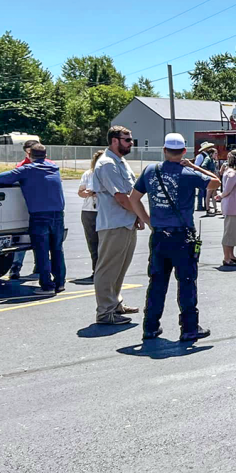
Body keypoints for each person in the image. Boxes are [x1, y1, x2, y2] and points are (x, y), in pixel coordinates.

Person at [129, 133, 220, 342]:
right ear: (184, 152)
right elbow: (215, 182)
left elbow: (134, 199)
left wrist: (149, 221)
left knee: (157, 282)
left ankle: (150, 326)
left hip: (160, 234)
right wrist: (194, 166)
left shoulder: (151, 170)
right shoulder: (188, 173)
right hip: (182, 235)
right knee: (187, 281)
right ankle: (189, 328)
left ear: (164, 150)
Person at [0, 143, 66, 294]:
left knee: (41, 250)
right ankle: (60, 282)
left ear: (29, 156)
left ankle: (46, 285)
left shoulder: (27, 169)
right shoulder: (54, 168)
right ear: (45, 155)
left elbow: (2, 178)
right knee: (57, 250)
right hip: (58, 214)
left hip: (39, 215)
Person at [93, 126, 144, 325]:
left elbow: (130, 195)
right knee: (107, 269)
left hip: (126, 222)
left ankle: (115, 304)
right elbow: (121, 198)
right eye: (127, 139)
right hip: (114, 223)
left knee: (120, 268)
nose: (131, 143)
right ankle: (105, 312)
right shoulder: (107, 164)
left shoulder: (120, 162)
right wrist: (142, 215)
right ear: (115, 140)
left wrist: (136, 217)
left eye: (131, 139)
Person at [8, 138, 48, 280]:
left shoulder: (47, 165)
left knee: (42, 239)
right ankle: (16, 267)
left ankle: (40, 267)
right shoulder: (22, 166)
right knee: (22, 239)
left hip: (41, 208)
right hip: (24, 207)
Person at [75, 150, 105, 284]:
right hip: (89, 211)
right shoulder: (88, 174)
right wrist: (88, 192)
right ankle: (95, 271)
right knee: (93, 243)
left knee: (105, 243)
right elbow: (80, 192)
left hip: (104, 211)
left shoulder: (109, 174)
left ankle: (106, 272)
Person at [194, 142, 215, 211]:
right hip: (201, 174)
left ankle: (206, 205)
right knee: (201, 191)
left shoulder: (207, 156)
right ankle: (200, 206)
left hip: (204, 174)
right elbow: (196, 166)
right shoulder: (200, 156)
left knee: (205, 191)